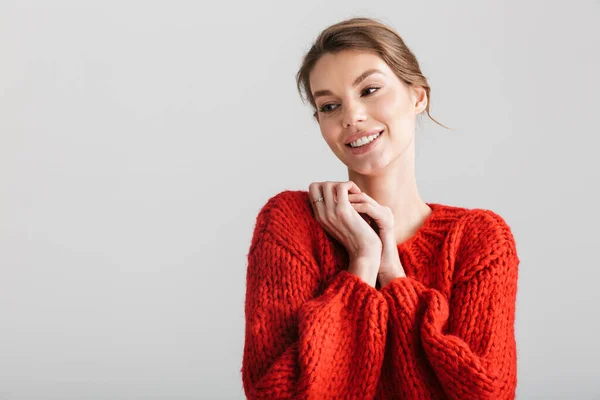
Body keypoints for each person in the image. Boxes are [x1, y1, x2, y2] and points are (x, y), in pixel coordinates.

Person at [241, 17, 519, 400]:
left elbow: (487, 394)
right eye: (330, 105)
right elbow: (274, 394)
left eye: (370, 89)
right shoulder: (291, 222)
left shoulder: (479, 238)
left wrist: (392, 273)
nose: (351, 116)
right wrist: (362, 264)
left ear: (418, 96)